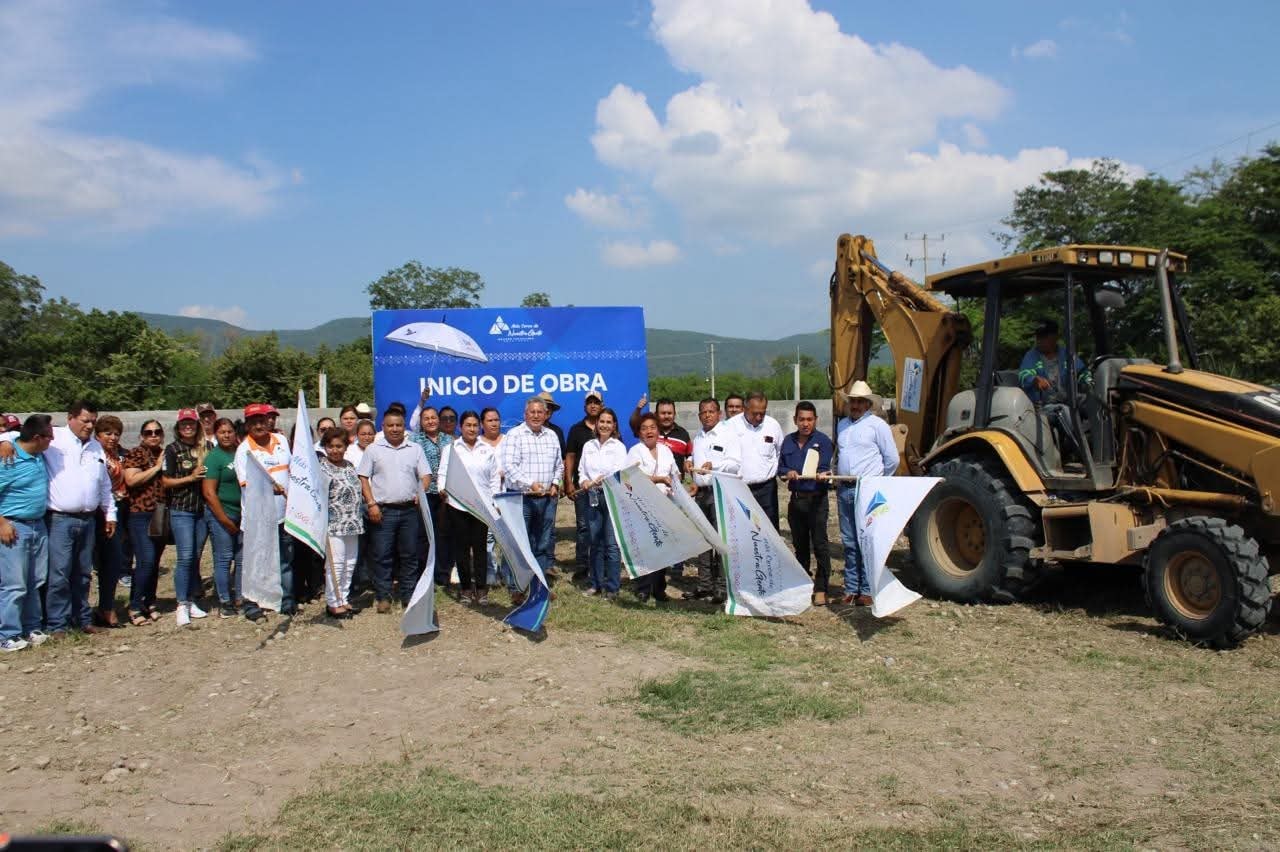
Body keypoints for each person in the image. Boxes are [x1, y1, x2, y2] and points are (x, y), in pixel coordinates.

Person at [41, 401, 115, 637]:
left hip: (89, 519)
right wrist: (4, 442)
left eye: (93, 421)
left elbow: (104, 483)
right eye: (85, 420)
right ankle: (57, 624)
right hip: (60, 518)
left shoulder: (95, 447)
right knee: (59, 573)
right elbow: (18, 434)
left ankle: (81, 619)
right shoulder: (54, 438)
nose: (90, 425)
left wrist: (110, 513)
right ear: (70, 417)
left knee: (83, 573)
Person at [833, 381, 900, 606]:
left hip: (867, 488)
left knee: (868, 539)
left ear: (868, 404)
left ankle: (868, 588)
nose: (856, 405)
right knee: (850, 541)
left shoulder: (877, 426)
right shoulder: (842, 425)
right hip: (844, 488)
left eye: (861, 401)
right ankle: (852, 588)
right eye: (853, 401)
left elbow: (892, 459)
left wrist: (878, 482)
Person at [358, 407, 430, 613]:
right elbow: (363, 477)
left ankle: (408, 594)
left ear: (404, 426)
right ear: (383, 427)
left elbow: (425, 475)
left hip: (409, 511)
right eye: (390, 425)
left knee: (409, 555)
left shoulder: (414, 449)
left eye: (398, 425)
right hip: (383, 511)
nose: (395, 429)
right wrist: (371, 503)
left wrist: (421, 491)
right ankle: (383, 596)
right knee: (382, 555)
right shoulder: (373, 449)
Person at [234, 403, 296, 620]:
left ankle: (286, 602)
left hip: (283, 515)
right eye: (253, 422)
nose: (259, 425)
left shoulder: (281, 441)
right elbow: (248, 485)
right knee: (256, 562)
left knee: (285, 561)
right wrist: (274, 489)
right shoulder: (244, 451)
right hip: (257, 519)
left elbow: (292, 471)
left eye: (262, 420)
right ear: (247, 425)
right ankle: (252, 605)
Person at [0, 415, 55, 651]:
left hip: (38, 524)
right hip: (15, 525)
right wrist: (2, 523)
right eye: (49, 437)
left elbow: (13, 434)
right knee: (15, 583)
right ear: (37, 438)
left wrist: (5, 438)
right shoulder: (7, 460)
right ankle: (7, 634)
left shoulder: (37, 455)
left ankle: (31, 627)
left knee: (36, 579)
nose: (52, 441)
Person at [500, 397, 564, 591]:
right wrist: (531, 484)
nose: (536, 416)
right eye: (532, 412)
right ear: (525, 414)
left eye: (540, 412)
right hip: (522, 498)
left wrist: (554, 483)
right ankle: (515, 587)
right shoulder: (514, 435)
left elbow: (559, 465)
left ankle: (539, 586)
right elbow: (509, 467)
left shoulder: (552, 435)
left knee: (542, 543)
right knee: (519, 544)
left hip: (547, 499)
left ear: (546, 415)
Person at [437, 411, 498, 605]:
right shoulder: (452, 448)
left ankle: (481, 589)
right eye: (467, 425)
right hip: (458, 505)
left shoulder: (486, 449)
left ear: (479, 426)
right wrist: (441, 489)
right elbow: (443, 472)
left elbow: (495, 477)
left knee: (480, 549)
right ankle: (465, 589)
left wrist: (494, 501)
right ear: (460, 428)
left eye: (474, 425)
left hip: (481, 506)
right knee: (461, 549)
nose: (471, 429)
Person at [629, 394, 692, 579]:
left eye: (652, 428)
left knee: (665, 542)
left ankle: (659, 587)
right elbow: (632, 477)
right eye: (645, 428)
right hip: (643, 504)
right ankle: (643, 585)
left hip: (667, 502)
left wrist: (679, 477)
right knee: (647, 544)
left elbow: (674, 472)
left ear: (657, 431)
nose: (649, 431)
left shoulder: (665, 450)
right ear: (639, 432)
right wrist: (659, 479)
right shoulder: (635, 451)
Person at [778, 402, 834, 606]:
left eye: (809, 419)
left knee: (820, 544)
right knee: (800, 545)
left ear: (816, 420)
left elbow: (827, 468)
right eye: (801, 419)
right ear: (795, 420)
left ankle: (821, 588)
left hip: (817, 500)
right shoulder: (788, 442)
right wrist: (787, 473)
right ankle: (802, 584)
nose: (805, 423)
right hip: (797, 501)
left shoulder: (823, 442)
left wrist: (823, 474)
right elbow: (781, 467)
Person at [690, 398, 741, 603]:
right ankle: (704, 584)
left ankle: (721, 586)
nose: (708, 415)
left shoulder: (728, 435)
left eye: (711, 411)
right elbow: (697, 465)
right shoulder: (698, 437)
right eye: (704, 412)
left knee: (720, 540)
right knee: (703, 540)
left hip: (720, 492)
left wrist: (716, 464)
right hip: (701, 492)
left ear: (719, 413)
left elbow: (736, 464)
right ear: (699, 415)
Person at [1018, 319, 1091, 460]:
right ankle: (1082, 456)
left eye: (1044, 337)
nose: (1039, 341)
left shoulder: (1066, 355)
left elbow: (1082, 372)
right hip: (1044, 406)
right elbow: (1023, 375)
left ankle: (1100, 444)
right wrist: (1035, 380)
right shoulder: (1032, 356)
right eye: (1038, 337)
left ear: (1054, 337)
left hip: (1068, 398)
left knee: (1091, 403)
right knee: (1063, 411)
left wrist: (1088, 381)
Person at [162, 409, 209, 626]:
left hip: (202, 510)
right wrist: (190, 478)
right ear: (178, 427)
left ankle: (191, 601)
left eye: (191, 423)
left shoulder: (207, 447)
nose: (187, 427)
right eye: (184, 424)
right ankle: (181, 603)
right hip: (181, 509)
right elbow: (165, 481)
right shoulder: (172, 450)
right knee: (185, 557)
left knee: (196, 557)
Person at [577, 408, 627, 600]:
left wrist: (602, 479)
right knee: (594, 542)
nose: (605, 425)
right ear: (596, 424)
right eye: (602, 421)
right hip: (592, 497)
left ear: (614, 426)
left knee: (611, 544)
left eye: (609, 422)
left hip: (612, 497)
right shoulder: (589, 445)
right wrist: (584, 482)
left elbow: (619, 472)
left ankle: (612, 587)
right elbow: (582, 470)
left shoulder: (619, 447)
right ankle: (595, 584)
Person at [123, 420, 167, 625]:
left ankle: (149, 601)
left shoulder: (164, 452)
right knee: (145, 560)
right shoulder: (136, 454)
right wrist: (157, 468)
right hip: (140, 513)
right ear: (142, 435)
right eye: (149, 432)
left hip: (159, 512)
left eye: (157, 432)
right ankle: (134, 605)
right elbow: (131, 480)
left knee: (155, 561)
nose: (153, 435)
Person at [319, 427, 364, 618]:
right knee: (335, 564)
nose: (335, 450)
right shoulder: (321, 468)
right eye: (331, 446)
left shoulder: (350, 466)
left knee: (350, 563)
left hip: (353, 522)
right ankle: (333, 602)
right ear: (325, 447)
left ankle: (343, 599)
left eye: (339, 446)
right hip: (333, 524)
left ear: (346, 447)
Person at [202, 418, 243, 619]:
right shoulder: (213, 458)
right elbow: (209, 493)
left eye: (229, 431)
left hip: (242, 513)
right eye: (222, 432)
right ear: (216, 435)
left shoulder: (240, 453)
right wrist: (224, 520)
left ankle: (240, 597)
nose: (226, 435)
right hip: (222, 514)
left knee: (242, 558)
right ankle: (225, 600)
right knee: (224, 557)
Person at [92, 416, 129, 628]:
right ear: (98, 435)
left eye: (116, 433)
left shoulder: (121, 454)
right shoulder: (93, 453)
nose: (113, 438)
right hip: (97, 511)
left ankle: (106, 605)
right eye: (108, 433)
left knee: (114, 561)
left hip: (119, 510)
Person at [729, 391, 784, 530]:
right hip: (740, 488)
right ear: (745, 409)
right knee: (744, 530)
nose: (759, 417)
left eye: (762, 413)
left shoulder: (773, 425)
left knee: (769, 530)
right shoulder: (731, 426)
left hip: (767, 489)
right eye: (755, 413)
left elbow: (779, 452)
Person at [411, 406, 453, 589]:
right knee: (423, 536)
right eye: (426, 418)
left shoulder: (449, 440)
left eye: (433, 417)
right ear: (421, 422)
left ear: (438, 419)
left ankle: (442, 574)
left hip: (445, 495)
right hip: (424, 494)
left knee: (443, 535)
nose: (430, 421)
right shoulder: (414, 441)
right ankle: (423, 575)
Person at [564, 393, 604, 584]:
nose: (593, 406)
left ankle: (600, 564)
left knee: (602, 527)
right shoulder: (576, 429)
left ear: (602, 405)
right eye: (590, 403)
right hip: (582, 487)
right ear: (585, 406)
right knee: (583, 527)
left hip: (605, 489)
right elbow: (570, 457)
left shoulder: (608, 428)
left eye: (596, 402)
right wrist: (569, 482)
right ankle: (582, 565)